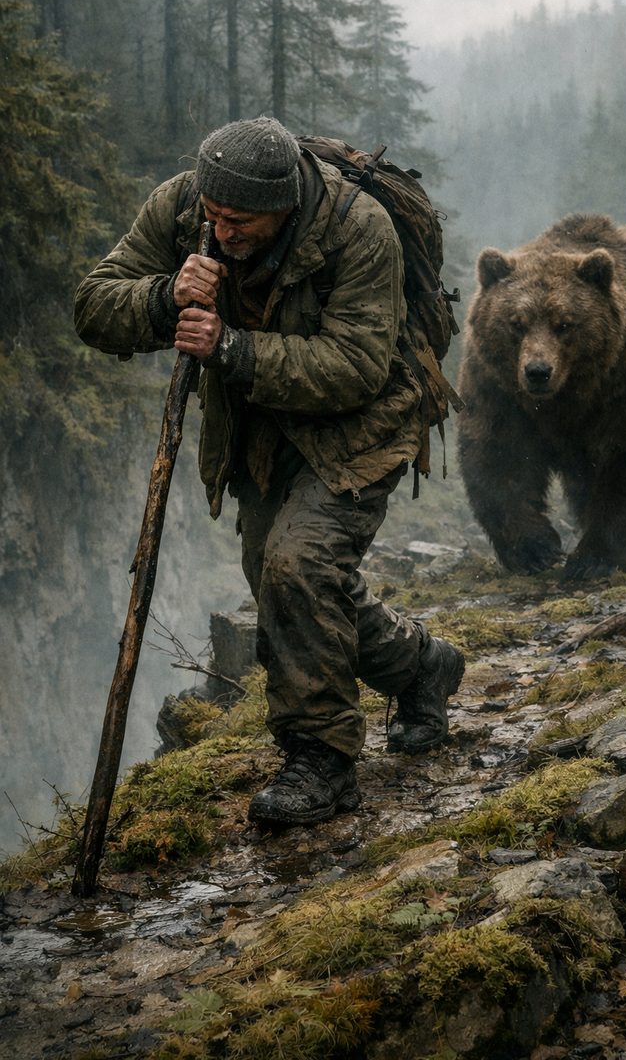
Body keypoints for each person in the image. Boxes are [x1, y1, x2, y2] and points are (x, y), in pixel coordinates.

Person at [74, 116, 464, 827]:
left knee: (298, 563)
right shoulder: (184, 207)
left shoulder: (358, 229)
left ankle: (321, 759)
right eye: (213, 217)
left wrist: (231, 350)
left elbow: (356, 366)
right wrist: (163, 298)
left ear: (286, 202)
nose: (222, 233)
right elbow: (94, 304)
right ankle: (422, 667)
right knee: (289, 587)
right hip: (259, 425)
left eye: (241, 220)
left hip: (363, 418)